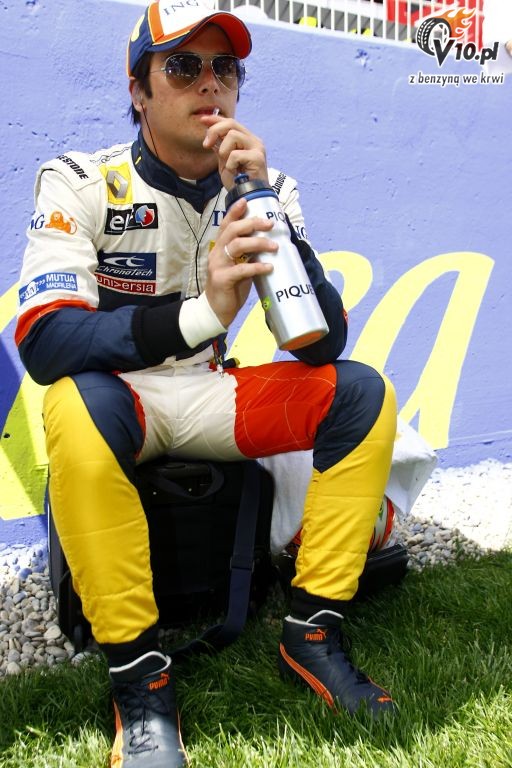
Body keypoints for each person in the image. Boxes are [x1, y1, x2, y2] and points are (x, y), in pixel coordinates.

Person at [16, 2, 397, 765]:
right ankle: (140, 680)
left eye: (226, 68)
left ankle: (312, 632)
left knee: (362, 394)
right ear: (138, 90)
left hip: (211, 391)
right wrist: (204, 312)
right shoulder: (80, 180)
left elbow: (321, 342)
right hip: (120, 400)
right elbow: (46, 341)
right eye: (184, 65)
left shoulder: (265, 184)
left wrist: (259, 200)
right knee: (73, 403)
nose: (209, 83)